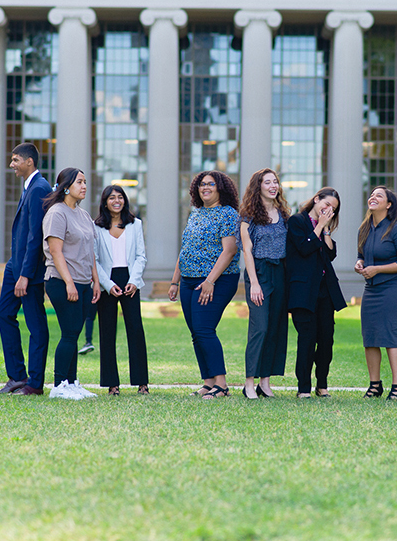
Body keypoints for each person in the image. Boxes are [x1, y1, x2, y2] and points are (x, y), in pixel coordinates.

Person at [167, 170, 240, 400]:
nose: (205, 187)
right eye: (201, 184)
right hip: (188, 280)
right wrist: (174, 281)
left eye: (210, 184)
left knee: (204, 329)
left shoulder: (227, 214)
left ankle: (222, 384)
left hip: (216, 281)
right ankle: (208, 383)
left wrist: (210, 281)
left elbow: (229, 251)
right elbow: (185, 248)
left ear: (220, 188)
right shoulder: (196, 213)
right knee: (196, 332)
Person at [0, 142, 51, 396]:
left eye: (15, 159)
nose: (11, 164)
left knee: (36, 325)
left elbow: (35, 237)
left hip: (29, 271)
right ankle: (17, 376)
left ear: (29, 162)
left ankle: (35, 383)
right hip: (13, 265)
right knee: (5, 314)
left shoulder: (40, 188)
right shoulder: (28, 186)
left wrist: (25, 275)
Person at [42, 167, 101, 400]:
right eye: (79, 182)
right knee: (69, 332)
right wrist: (69, 283)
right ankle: (59, 385)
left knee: (75, 332)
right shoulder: (57, 213)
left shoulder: (83, 214)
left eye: (85, 182)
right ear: (66, 186)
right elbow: (56, 252)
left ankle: (72, 382)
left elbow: (90, 252)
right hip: (61, 281)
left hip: (84, 282)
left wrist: (95, 281)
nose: (84, 186)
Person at [286, 187, 346, 398]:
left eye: (333, 208)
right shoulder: (296, 221)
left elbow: (330, 254)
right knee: (307, 339)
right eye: (326, 204)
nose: (329, 209)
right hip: (303, 290)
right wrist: (319, 226)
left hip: (325, 290)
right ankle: (303, 387)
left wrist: (326, 229)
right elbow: (304, 248)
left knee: (326, 339)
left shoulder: (324, 227)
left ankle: (322, 384)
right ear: (316, 199)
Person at [355, 186, 397, 400]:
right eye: (371, 194)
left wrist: (377, 269)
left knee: (389, 336)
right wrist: (359, 264)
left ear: (388, 205)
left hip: (394, 289)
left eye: (379, 195)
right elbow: (361, 255)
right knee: (370, 338)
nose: (373, 197)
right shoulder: (364, 229)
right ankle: (375, 385)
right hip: (371, 290)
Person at [93, 185, 149, 396]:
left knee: (135, 330)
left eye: (120, 197)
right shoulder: (96, 227)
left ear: (125, 200)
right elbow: (94, 260)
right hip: (107, 281)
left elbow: (140, 256)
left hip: (130, 279)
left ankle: (142, 382)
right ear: (105, 202)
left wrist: (134, 281)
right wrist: (107, 284)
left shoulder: (135, 224)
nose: (116, 201)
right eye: (111, 198)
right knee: (107, 332)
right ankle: (111, 383)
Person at [239, 168, 290, 399]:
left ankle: (265, 382)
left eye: (275, 182)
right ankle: (249, 383)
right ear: (257, 186)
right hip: (258, 272)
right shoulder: (248, 215)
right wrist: (254, 283)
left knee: (275, 327)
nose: (273, 185)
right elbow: (247, 251)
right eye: (267, 182)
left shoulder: (284, 214)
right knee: (259, 328)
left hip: (281, 272)